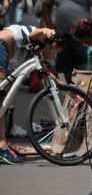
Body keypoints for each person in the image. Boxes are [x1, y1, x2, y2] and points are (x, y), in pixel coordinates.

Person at [0, 25, 60, 164]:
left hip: (3, 48)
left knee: (3, 97)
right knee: (1, 98)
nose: (53, 57)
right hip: (1, 45)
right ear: (53, 44)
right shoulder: (38, 36)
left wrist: (63, 87)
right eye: (54, 52)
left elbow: (46, 74)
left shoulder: (36, 50)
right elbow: (41, 31)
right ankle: (2, 145)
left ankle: (3, 143)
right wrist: (51, 33)